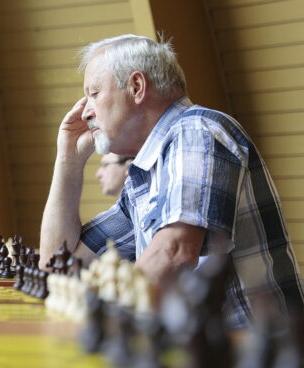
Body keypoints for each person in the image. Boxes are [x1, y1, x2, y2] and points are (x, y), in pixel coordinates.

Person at [39, 34, 303, 327]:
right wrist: (68, 161)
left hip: (254, 357)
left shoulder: (197, 130)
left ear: (136, 87)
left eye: (94, 93)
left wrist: (107, 322)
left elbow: (175, 252)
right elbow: (59, 266)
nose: (85, 111)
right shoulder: (143, 178)